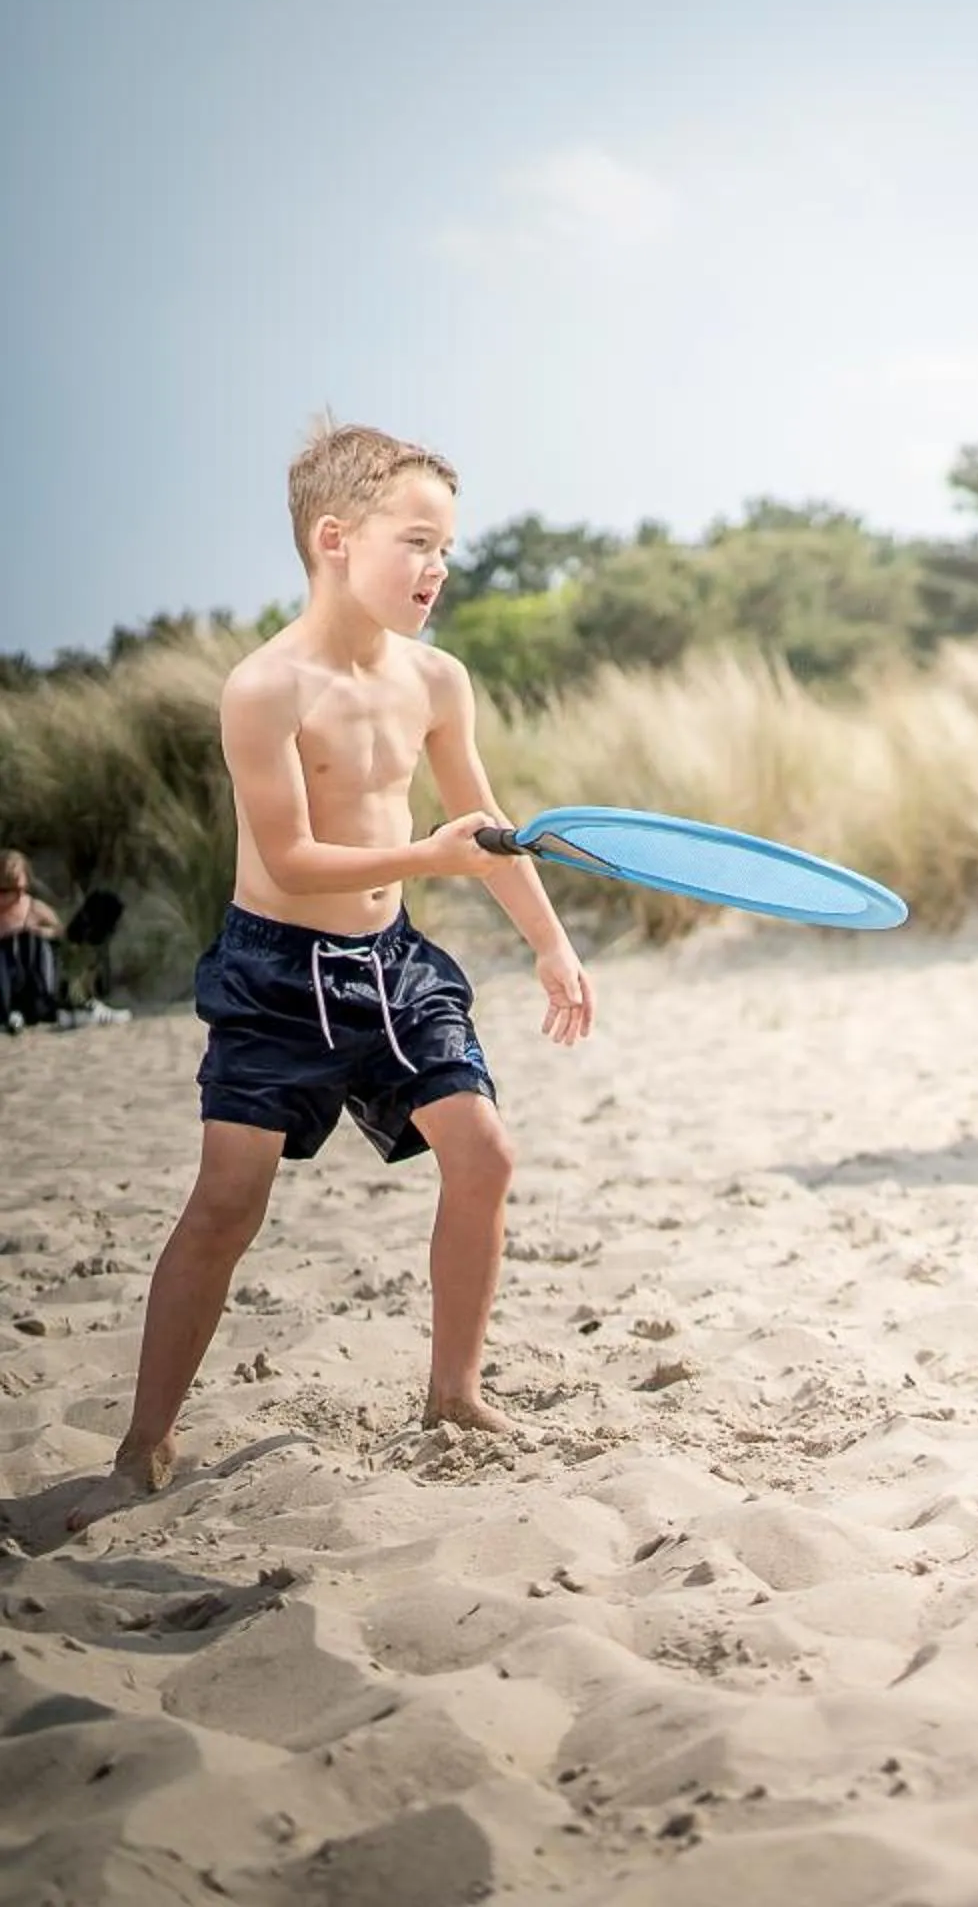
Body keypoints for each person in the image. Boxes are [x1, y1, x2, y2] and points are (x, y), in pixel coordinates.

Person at [70, 421, 598, 1531]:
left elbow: (486, 826)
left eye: (447, 545)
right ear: (333, 539)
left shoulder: (438, 680)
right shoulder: (265, 688)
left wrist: (549, 940)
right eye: (417, 541)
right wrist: (432, 852)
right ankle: (144, 1440)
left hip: (393, 963)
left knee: (485, 1150)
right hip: (274, 975)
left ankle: (454, 1393)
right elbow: (299, 855)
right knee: (226, 1205)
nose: (438, 567)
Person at [1, 849, 65, 1033]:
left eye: (21, 890)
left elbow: (60, 932)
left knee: (32, 941)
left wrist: (41, 932)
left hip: (31, 984)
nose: (16, 897)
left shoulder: (34, 908)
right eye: (7, 891)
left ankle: (42, 1004)